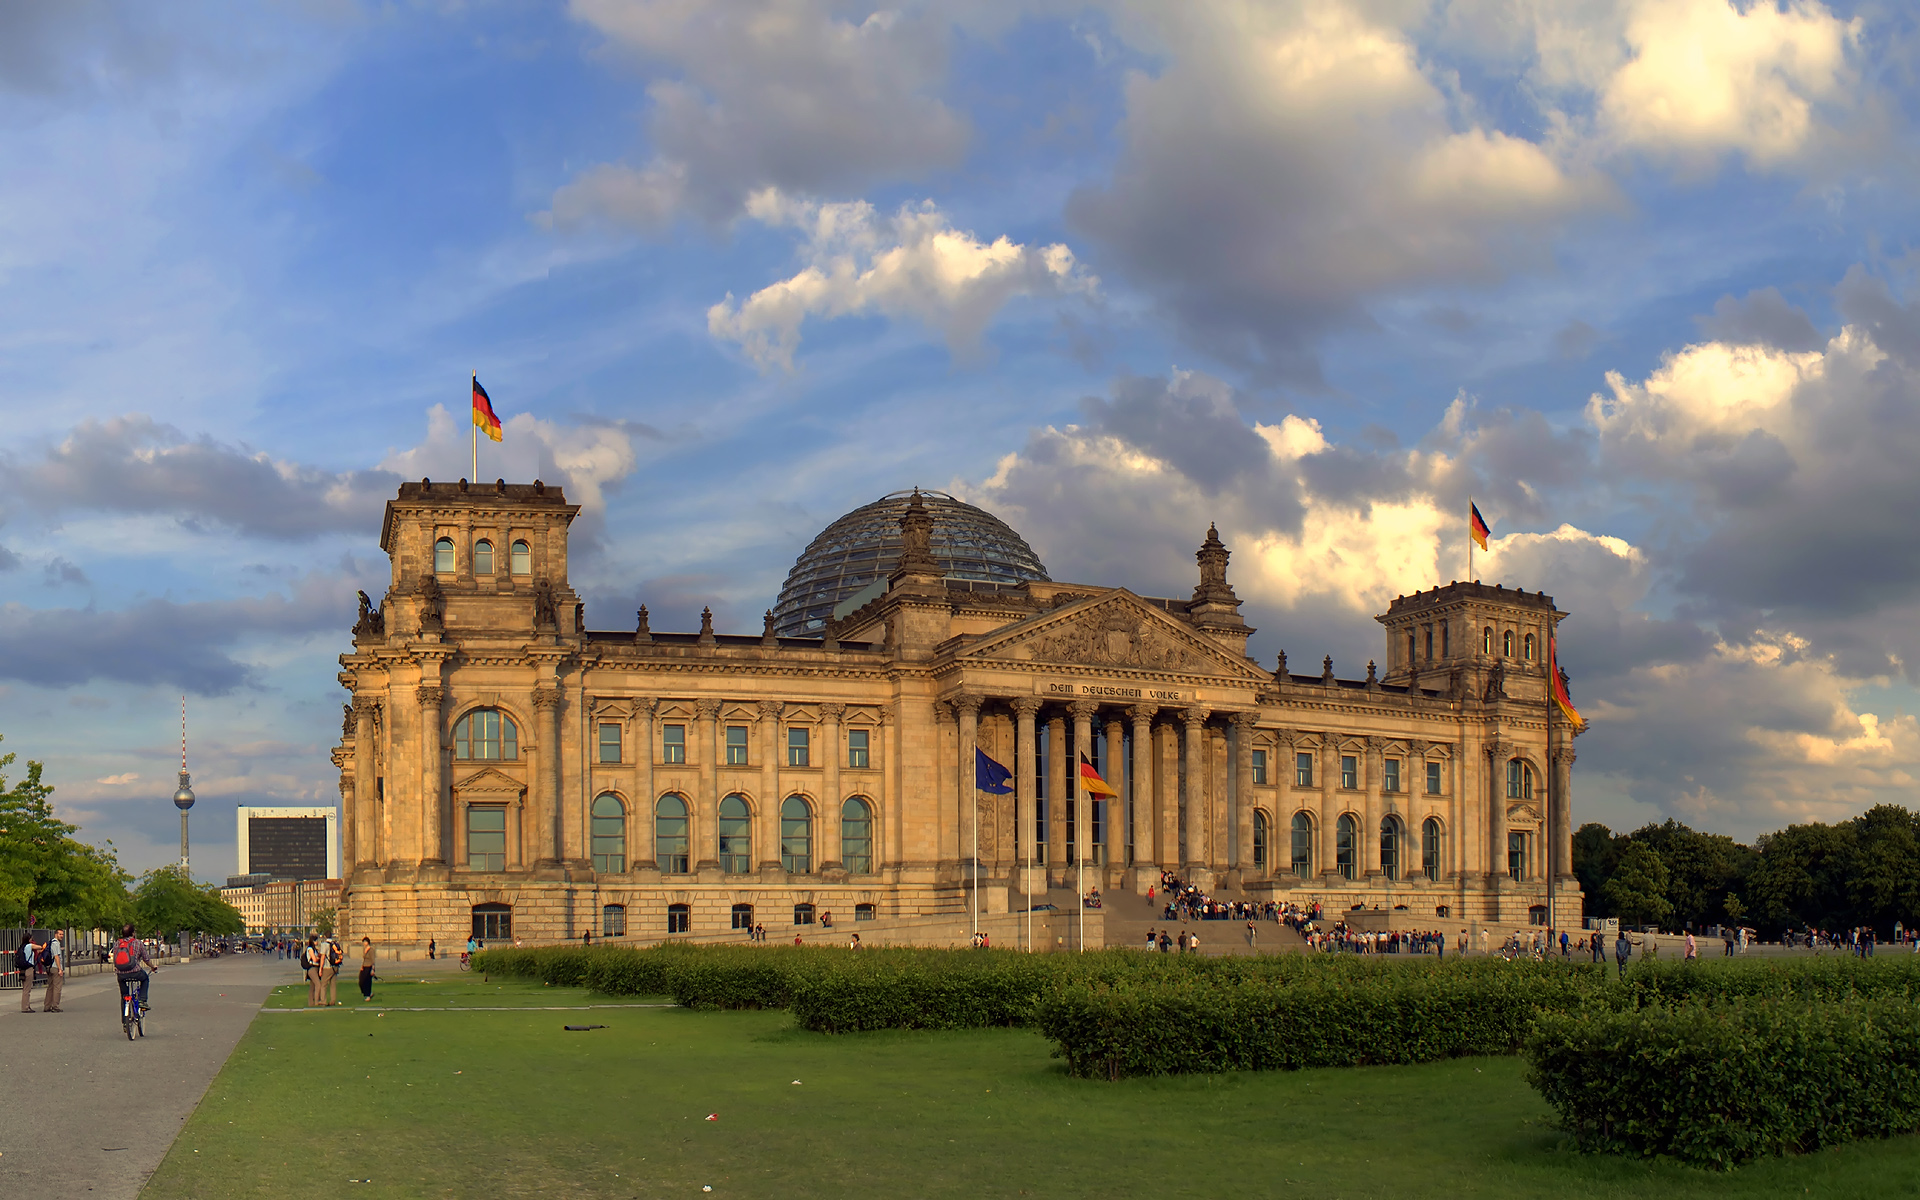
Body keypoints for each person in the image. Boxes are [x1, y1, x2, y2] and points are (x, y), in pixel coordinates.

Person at [113, 924, 157, 1011]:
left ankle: (125, 1021)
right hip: (135, 972)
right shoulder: (138, 943)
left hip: (121, 974)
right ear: (133, 933)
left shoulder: (117, 943)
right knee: (145, 979)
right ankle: (142, 1000)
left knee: (124, 996)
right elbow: (146, 959)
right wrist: (152, 967)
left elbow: (115, 958)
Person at [42, 933, 64, 1012]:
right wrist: (60, 969)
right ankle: (55, 1006)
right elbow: (56, 956)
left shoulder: (51, 942)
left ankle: (47, 1006)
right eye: (60, 934)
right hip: (55, 967)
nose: (61, 936)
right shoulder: (56, 943)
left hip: (50, 967)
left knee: (50, 987)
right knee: (57, 987)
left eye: (62, 934)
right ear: (56, 934)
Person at [15, 937, 37, 1012]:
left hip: (23, 969)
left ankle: (27, 1005)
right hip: (28, 968)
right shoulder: (29, 946)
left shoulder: (22, 947)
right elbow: (39, 947)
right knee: (27, 989)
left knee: (25, 988)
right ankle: (25, 1007)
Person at [321, 933, 342, 1006]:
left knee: (323, 984)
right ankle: (333, 1000)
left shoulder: (324, 944)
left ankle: (323, 1001)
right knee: (333, 985)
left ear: (325, 936)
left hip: (327, 967)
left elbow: (323, 957)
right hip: (335, 966)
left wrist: (320, 968)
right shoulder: (335, 944)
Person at [301, 937, 322, 1006]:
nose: (317, 942)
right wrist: (319, 958)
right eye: (316, 941)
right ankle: (316, 1001)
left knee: (312, 987)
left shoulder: (314, 949)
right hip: (312, 968)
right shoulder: (310, 949)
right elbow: (314, 959)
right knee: (318, 984)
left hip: (315, 968)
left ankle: (311, 1003)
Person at [358, 937, 376, 1001]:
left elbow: (373, 960)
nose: (364, 943)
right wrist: (362, 966)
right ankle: (367, 993)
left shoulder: (371, 950)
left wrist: (373, 969)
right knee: (361, 981)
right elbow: (364, 959)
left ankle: (367, 995)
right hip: (364, 966)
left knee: (367, 981)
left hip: (369, 966)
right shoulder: (364, 949)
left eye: (365, 942)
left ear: (367, 942)